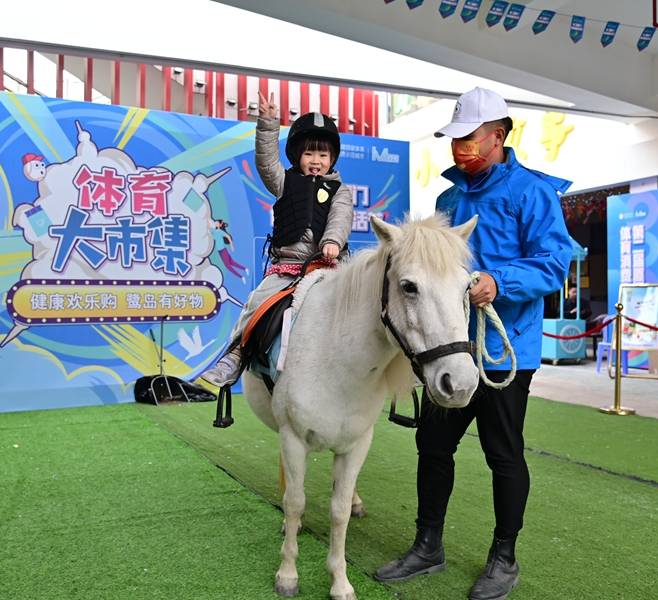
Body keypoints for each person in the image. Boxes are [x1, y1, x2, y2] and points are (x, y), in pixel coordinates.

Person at [374, 87, 573, 600]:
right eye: (455, 139)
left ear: (499, 135)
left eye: (469, 137)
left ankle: (504, 558)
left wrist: (498, 282)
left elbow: (553, 264)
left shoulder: (533, 192)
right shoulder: (448, 200)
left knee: (502, 454)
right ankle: (427, 545)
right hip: (449, 350)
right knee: (433, 445)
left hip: (506, 352)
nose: (460, 147)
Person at [199, 92, 353, 387]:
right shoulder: (284, 182)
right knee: (256, 302)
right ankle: (236, 355)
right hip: (288, 269)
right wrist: (268, 123)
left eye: (323, 154)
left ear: (332, 158)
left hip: (328, 268)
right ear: (297, 156)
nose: (316, 161)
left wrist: (332, 242)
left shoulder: (341, 191)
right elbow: (266, 162)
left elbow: (341, 218)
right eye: (309, 154)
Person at [212, 219, 250, 283]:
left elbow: (228, 237)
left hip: (223, 250)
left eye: (216, 223)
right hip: (220, 251)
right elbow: (209, 226)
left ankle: (241, 277)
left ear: (220, 225)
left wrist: (231, 245)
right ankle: (245, 269)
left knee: (228, 266)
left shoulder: (220, 231)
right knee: (232, 263)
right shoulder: (214, 231)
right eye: (215, 223)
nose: (215, 224)